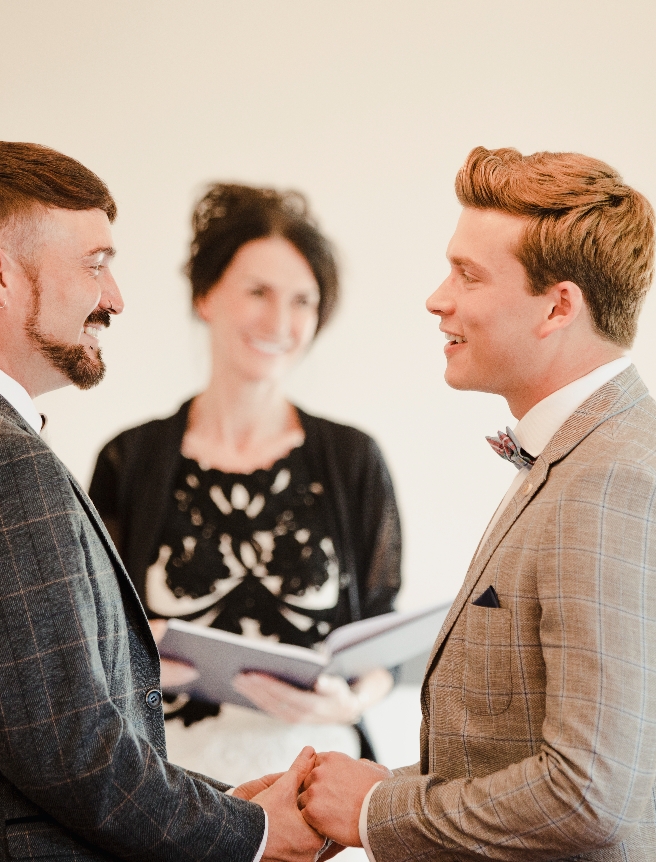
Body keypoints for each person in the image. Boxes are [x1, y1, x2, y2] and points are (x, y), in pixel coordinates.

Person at [0, 141, 325, 862]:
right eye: (95, 264)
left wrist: (221, 803)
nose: (114, 296)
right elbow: (70, 752)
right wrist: (250, 834)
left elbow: (42, 734)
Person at [296, 147, 656, 861]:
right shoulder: (593, 451)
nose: (438, 298)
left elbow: (586, 796)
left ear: (559, 306)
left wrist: (378, 810)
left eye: (467, 275)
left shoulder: (614, 484)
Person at [88, 184, 402, 787]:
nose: (280, 322)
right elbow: (89, 634)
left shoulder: (352, 459)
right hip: (166, 786)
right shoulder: (130, 460)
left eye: (303, 301)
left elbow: (381, 635)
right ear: (206, 295)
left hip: (318, 782)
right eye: (258, 291)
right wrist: (140, 655)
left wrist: (353, 701)